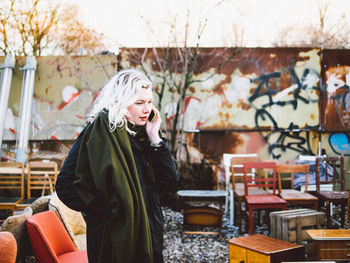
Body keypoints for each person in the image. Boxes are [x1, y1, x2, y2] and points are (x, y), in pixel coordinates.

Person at [55, 69, 179, 263]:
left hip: (149, 231)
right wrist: (104, 211)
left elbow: (170, 182)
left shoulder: (147, 135)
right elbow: (64, 184)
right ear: (121, 101)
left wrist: (156, 138)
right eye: (139, 103)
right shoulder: (97, 133)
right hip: (110, 237)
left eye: (149, 102)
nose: (147, 109)